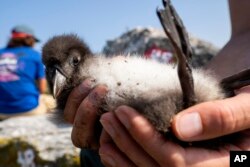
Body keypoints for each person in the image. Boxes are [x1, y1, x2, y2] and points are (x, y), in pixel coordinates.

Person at [64, 0, 250, 166]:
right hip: (207, 94)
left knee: (103, 149)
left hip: (201, 122)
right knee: (98, 149)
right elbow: (244, 31)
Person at [0, 25, 52, 119]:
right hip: (28, 109)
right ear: (29, 39)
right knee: (52, 102)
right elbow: (42, 88)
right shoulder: (35, 55)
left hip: (1, 110)